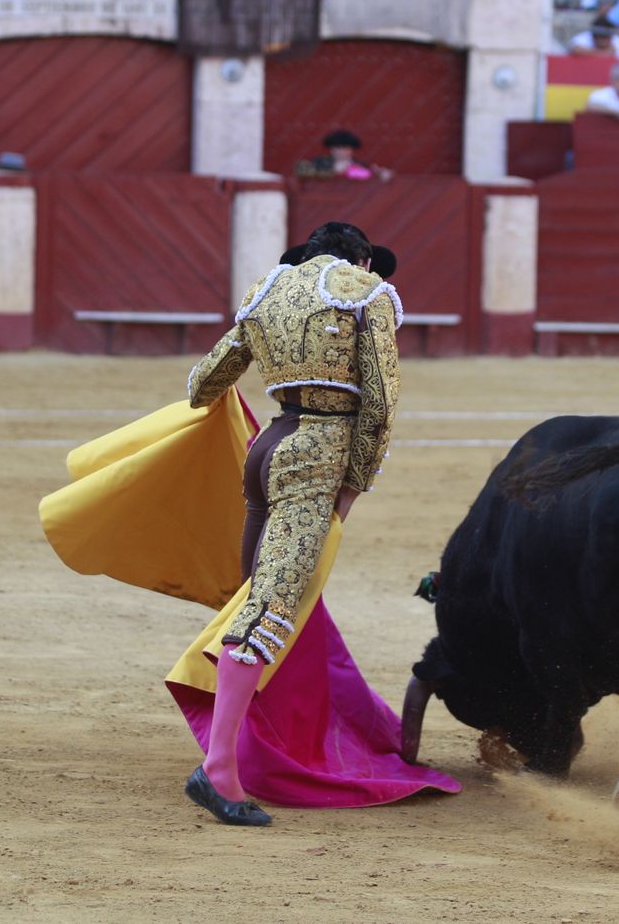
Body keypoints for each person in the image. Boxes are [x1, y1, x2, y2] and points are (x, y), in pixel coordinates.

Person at [181, 221, 404, 824]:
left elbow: (205, 383)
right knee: (266, 613)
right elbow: (379, 405)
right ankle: (221, 770)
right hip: (314, 461)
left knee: (254, 598)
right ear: (360, 258)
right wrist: (353, 487)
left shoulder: (265, 291)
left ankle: (257, 747)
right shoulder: (367, 293)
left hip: (265, 452)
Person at [295, 130, 392, 180]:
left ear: (351, 150)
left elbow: (370, 176)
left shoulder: (360, 165)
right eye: (338, 148)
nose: (341, 151)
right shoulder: (320, 162)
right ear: (331, 149)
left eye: (345, 148)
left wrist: (380, 175)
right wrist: (333, 172)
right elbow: (301, 171)